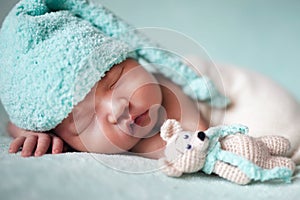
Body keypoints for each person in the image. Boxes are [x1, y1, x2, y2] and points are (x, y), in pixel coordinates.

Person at [2, 0, 300, 163]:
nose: (118, 107)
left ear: (131, 58)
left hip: (243, 100)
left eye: (114, 80)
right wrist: (33, 132)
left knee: (280, 134)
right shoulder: (59, 128)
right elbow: (21, 123)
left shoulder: (168, 93)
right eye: (87, 120)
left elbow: (197, 142)